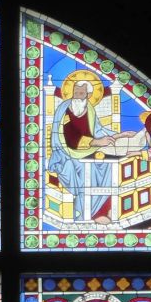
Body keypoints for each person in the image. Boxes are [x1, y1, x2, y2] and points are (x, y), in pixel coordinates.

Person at [48, 69, 117, 223]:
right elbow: (69, 135)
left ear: (88, 94)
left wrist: (117, 136)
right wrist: (96, 142)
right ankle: (84, 213)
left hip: (89, 150)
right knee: (86, 169)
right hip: (65, 152)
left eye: (81, 92)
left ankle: (101, 210)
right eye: (76, 91)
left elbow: (98, 130)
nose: (78, 95)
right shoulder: (64, 109)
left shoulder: (90, 109)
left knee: (107, 166)